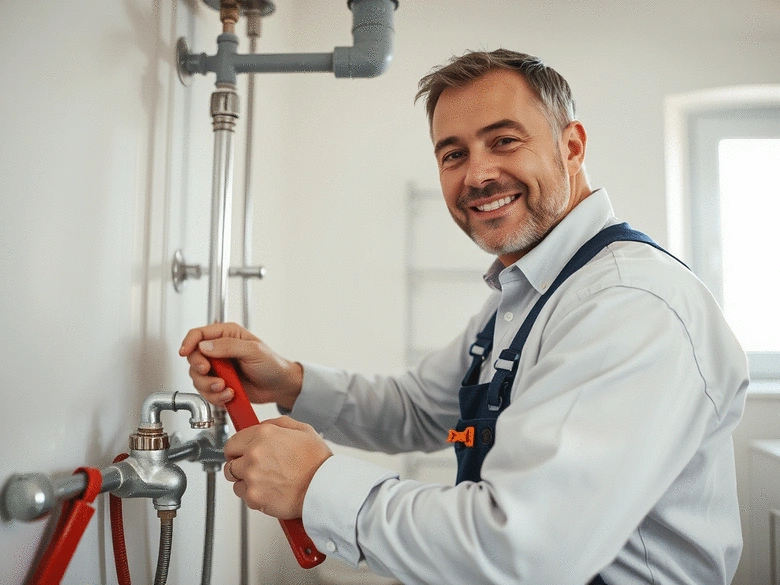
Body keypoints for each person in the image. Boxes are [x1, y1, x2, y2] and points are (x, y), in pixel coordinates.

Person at [179, 49, 749, 585]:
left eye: (504, 141)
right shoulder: (528, 292)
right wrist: (287, 380)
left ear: (571, 146)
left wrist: (316, 484)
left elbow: (522, 550)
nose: (477, 176)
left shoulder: (627, 305)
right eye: (453, 154)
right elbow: (422, 409)